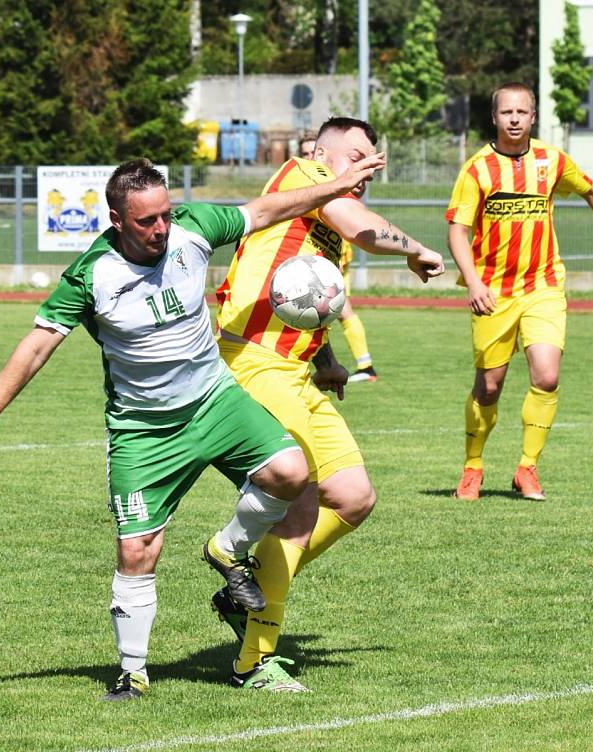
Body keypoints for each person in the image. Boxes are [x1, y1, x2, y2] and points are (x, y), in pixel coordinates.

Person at [0, 155, 386, 701]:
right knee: (138, 550)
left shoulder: (193, 231)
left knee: (291, 470)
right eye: (146, 221)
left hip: (215, 399)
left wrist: (336, 187)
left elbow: (267, 208)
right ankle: (132, 673)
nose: (160, 229)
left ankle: (228, 549)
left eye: (165, 215)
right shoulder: (91, 277)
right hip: (144, 428)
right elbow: (37, 345)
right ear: (115, 219)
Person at [212, 117, 445, 691]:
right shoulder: (307, 177)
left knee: (355, 498)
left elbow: (307, 299)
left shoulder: (328, 219)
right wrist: (414, 250)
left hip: (296, 371)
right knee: (298, 509)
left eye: (374, 160)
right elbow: (364, 228)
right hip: (254, 362)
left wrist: (327, 362)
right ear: (320, 153)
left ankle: (249, 585)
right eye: (359, 156)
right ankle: (254, 662)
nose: (368, 169)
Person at [446, 82, 593, 502]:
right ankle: (473, 466)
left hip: (544, 285)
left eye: (522, 112)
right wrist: (473, 282)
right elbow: (458, 231)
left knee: (547, 377)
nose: (514, 119)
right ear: (494, 118)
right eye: (506, 113)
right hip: (493, 292)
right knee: (489, 388)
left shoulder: (552, 160)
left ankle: (527, 468)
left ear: (533, 117)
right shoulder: (477, 169)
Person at [299, 130, 378, 383]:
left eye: (313, 152)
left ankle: (364, 365)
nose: (309, 158)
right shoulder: (297, 182)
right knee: (326, 310)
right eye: (304, 153)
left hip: (332, 254)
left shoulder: (332, 189)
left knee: (335, 308)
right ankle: (356, 365)